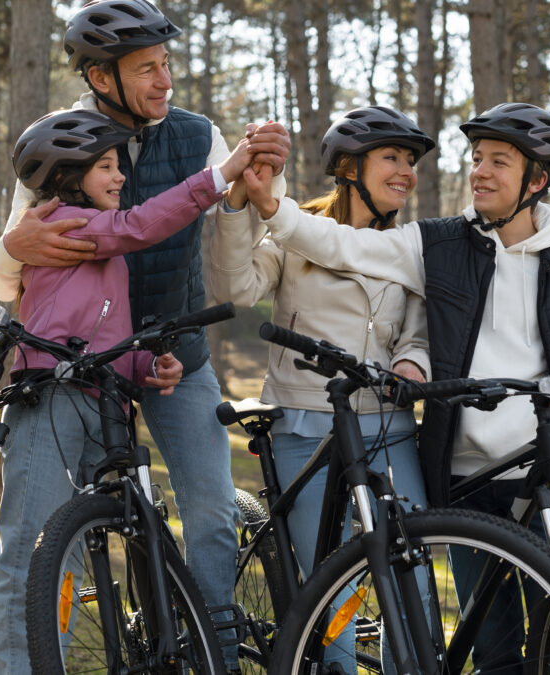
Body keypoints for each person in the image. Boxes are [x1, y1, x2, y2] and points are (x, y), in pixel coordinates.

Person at [238, 102, 550, 672]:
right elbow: (345, 245)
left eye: (499, 162)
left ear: (537, 181)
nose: (479, 172)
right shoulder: (436, 245)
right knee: (492, 646)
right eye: (477, 159)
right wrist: (275, 209)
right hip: (467, 480)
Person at [0, 1, 289, 671]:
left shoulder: (198, 136)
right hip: (78, 370)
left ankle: (210, 659)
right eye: (146, 68)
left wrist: (241, 198)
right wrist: (14, 246)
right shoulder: (56, 142)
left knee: (211, 515)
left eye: (166, 64)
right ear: (99, 76)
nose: (163, 80)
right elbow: (3, 278)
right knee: (46, 540)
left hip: (173, 358)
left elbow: (231, 280)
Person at [209, 106, 435, 671]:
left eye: (411, 161)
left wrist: (413, 368)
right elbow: (235, 286)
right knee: (329, 575)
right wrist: (238, 206)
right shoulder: (296, 229)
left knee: (415, 562)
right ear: (350, 167)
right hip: (304, 421)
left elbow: (419, 337)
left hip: (386, 423)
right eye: (392, 157)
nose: (406, 171)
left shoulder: (409, 247)